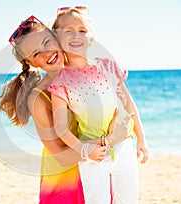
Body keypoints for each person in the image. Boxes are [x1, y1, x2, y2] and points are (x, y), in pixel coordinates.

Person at [0, 15, 131, 204]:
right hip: (65, 182)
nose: (46, 53)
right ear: (31, 63)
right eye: (36, 54)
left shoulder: (88, 72)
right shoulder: (38, 98)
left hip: (97, 168)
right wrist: (109, 139)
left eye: (47, 42)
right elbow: (60, 156)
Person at [47, 7, 149, 204]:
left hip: (123, 147)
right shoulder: (61, 80)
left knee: (128, 199)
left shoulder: (108, 66)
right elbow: (60, 127)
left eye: (82, 30)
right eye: (68, 31)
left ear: (91, 37)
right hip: (92, 154)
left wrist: (141, 138)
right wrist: (85, 151)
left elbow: (129, 104)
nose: (76, 35)